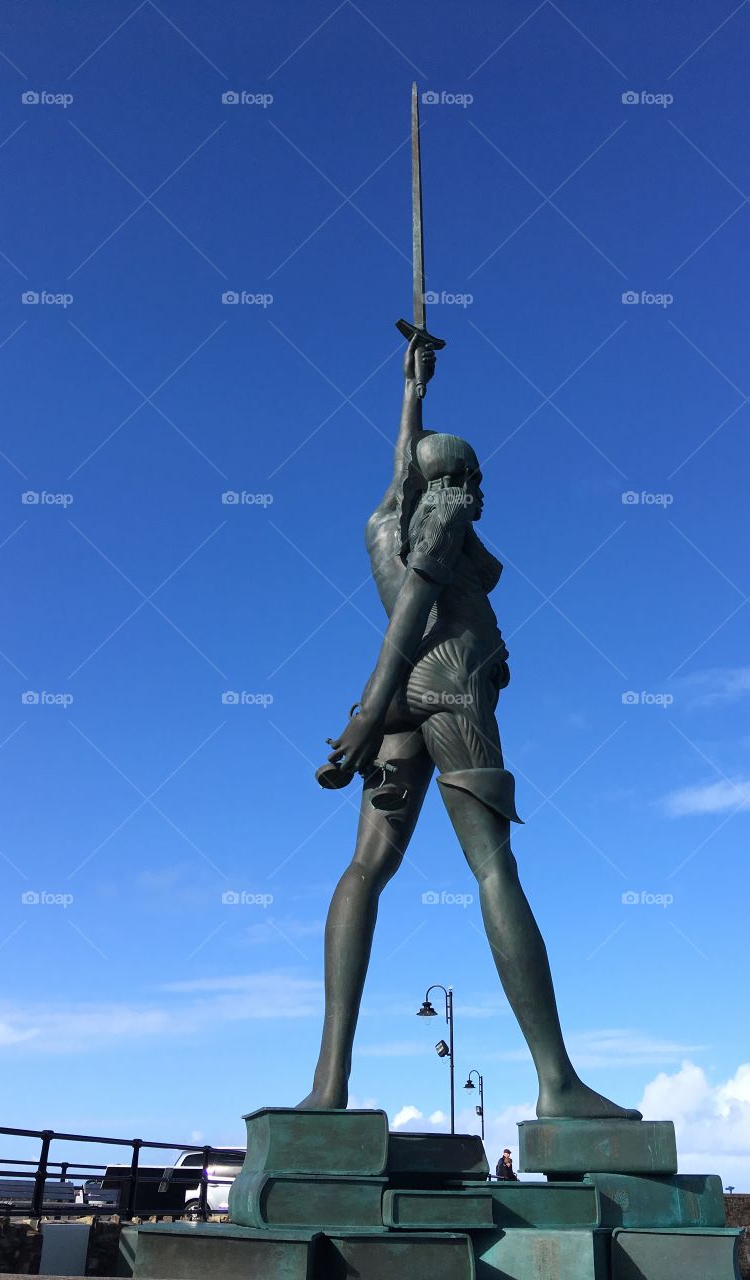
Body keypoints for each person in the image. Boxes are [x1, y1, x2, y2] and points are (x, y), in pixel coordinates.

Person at [298, 337, 641, 1125]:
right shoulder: (443, 521)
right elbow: (416, 607)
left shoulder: (386, 517)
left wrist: (412, 391)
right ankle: (558, 1083)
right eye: (474, 478)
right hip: (450, 692)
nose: (482, 494)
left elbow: (399, 473)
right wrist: (359, 720)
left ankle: (329, 1088)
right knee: (495, 869)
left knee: (364, 870)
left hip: (401, 708)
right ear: (451, 483)